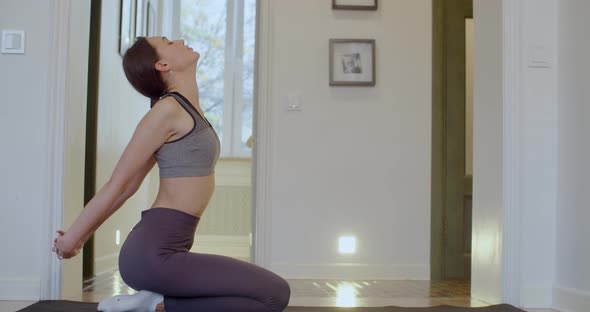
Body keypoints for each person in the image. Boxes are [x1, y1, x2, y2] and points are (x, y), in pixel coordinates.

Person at [52, 36, 291, 312]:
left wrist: (78, 237)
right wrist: (73, 239)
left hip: (166, 250)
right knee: (274, 295)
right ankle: (156, 304)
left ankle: (157, 304)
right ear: (162, 64)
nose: (179, 40)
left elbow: (128, 188)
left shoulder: (183, 109)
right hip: (152, 254)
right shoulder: (166, 111)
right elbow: (119, 185)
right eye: (167, 41)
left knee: (268, 297)